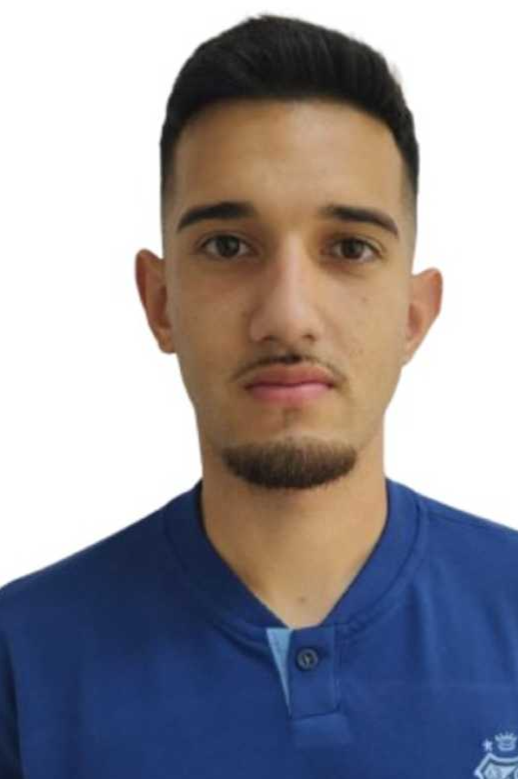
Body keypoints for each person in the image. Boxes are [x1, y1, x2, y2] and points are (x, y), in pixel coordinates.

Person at [1, 12, 517, 779]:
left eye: (350, 248)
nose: (288, 315)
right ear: (160, 302)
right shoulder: (23, 660)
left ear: (414, 315)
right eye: (228, 246)